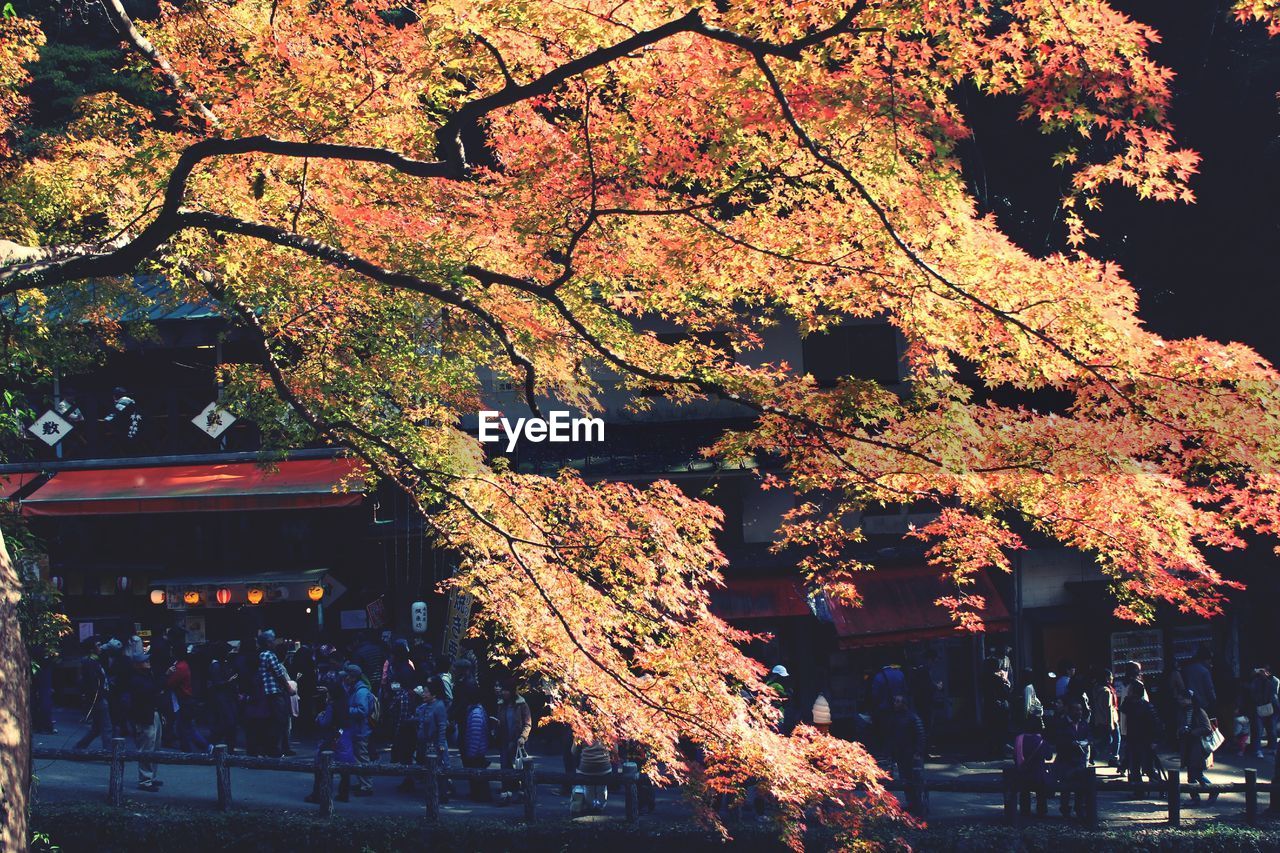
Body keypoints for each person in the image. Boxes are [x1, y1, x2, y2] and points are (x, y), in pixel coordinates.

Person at [120, 638, 163, 791]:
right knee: (147, 748)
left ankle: (151, 777)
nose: (148, 662)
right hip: (144, 717)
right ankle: (145, 780)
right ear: (138, 665)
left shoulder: (146, 676)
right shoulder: (136, 680)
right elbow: (148, 694)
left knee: (155, 747)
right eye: (145, 661)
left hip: (153, 713)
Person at [256, 630, 296, 758]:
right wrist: (289, 688)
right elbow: (279, 674)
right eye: (273, 640)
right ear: (268, 642)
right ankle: (275, 749)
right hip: (275, 691)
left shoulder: (261, 654)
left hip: (266, 692)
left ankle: (272, 748)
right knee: (280, 720)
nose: (275, 643)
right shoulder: (269, 655)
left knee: (272, 721)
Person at [414, 678, 454, 803]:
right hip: (427, 743)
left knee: (441, 768)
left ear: (434, 694)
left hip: (437, 743)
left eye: (426, 692)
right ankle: (432, 793)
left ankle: (443, 794)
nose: (424, 694)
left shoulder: (439, 706)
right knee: (430, 769)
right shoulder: (426, 706)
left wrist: (441, 743)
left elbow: (442, 726)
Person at [887, 693, 926, 816]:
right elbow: (892, 737)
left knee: (915, 779)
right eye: (895, 701)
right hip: (901, 753)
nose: (895, 704)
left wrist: (918, 751)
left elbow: (920, 735)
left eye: (898, 701)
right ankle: (911, 803)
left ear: (904, 704)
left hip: (911, 754)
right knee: (905, 779)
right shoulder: (894, 718)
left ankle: (918, 804)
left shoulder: (912, 718)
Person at [494, 678, 533, 804]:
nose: (503, 692)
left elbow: (528, 723)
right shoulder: (501, 704)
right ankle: (506, 792)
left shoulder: (521, 704)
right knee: (505, 766)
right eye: (502, 690)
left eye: (505, 690)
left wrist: (523, 737)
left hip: (518, 741)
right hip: (504, 739)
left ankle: (522, 792)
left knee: (519, 767)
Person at [1120, 680, 1162, 795]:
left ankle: (1162, 786)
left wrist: (1155, 740)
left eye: (1130, 690)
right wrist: (1127, 699)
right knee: (1134, 767)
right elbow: (1123, 709)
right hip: (1133, 739)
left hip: (1145, 740)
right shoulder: (1129, 704)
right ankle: (1139, 791)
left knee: (1148, 767)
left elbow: (1156, 724)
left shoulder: (1146, 706)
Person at [166, 646, 210, 753]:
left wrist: (167, 674)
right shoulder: (182, 665)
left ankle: (205, 747)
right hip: (184, 699)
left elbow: (171, 683)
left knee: (186, 727)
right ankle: (189, 749)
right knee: (184, 727)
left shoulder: (180, 667)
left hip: (183, 700)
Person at [1053, 699, 1091, 818]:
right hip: (1066, 759)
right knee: (1066, 787)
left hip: (1080, 759)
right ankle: (1065, 809)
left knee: (1081, 787)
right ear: (1069, 711)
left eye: (1080, 710)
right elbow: (1057, 740)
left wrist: (1086, 742)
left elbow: (1090, 736)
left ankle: (1079, 808)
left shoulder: (1084, 724)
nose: (1079, 712)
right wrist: (1069, 743)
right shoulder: (1061, 723)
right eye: (1076, 710)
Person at [344, 664, 376, 796]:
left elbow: (362, 710)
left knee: (362, 758)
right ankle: (362, 782)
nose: (345, 677)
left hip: (361, 730)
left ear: (353, 677)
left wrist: (346, 711)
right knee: (358, 757)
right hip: (357, 729)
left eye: (347, 675)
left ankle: (367, 786)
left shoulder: (361, 692)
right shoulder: (355, 689)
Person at [75, 638, 113, 750]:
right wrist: (98, 695)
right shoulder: (89, 663)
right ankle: (109, 752)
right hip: (98, 698)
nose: (100, 648)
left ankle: (79, 747)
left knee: (96, 728)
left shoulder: (95, 661)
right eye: (98, 645)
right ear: (92, 649)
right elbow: (92, 683)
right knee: (107, 727)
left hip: (99, 697)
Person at [1013, 716, 1054, 817]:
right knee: (1041, 794)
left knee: (1024, 794)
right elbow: (1049, 756)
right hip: (1038, 774)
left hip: (1023, 773)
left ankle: (1025, 812)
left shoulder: (1019, 739)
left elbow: (1015, 756)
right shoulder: (1042, 741)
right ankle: (1041, 812)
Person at [1184, 690, 1219, 804]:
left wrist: (1192, 732)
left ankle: (1211, 790)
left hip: (1198, 746)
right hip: (1189, 745)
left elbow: (1207, 728)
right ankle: (1199, 796)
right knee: (1194, 773)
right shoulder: (1185, 711)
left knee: (1195, 773)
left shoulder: (1199, 711)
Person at [458, 685, 492, 802]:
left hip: (476, 750)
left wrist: (471, 753)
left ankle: (481, 796)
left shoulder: (475, 713)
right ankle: (478, 795)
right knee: (477, 776)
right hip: (477, 749)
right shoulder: (476, 710)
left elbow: (475, 735)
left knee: (478, 775)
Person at [206, 642, 239, 752]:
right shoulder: (215, 665)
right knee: (224, 724)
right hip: (221, 698)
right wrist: (229, 681)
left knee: (225, 724)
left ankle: (225, 747)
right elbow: (216, 683)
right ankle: (216, 747)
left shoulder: (221, 663)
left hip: (224, 698)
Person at [389, 680, 419, 792]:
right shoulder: (405, 695)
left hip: (405, 731)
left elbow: (402, 717)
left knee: (406, 757)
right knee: (407, 756)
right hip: (407, 730)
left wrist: (397, 732)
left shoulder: (403, 696)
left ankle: (409, 780)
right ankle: (409, 780)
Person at [570, 741, 614, 815]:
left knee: (588, 788)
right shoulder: (608, 731)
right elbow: (615, 750)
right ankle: (600, 806)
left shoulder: (581, 732)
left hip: (586, 768)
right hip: (604, 768)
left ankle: (590, 805)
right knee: (602, 788)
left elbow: (573, 751)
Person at [1091, 669, 1120, 767]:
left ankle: (1093, 753)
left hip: (1100, 719)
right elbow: (1109, 707)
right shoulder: (1107, 691)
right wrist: (1111, 723)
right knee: (1115, 739)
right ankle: (1114, 758)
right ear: (1107, 678)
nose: (1112, 678)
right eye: (1111, 676)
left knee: (1106, 740)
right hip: (1110, 719)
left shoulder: (1096, 689)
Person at [1248, 666, 1279, 758]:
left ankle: (1273, 748)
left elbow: (1274, 693)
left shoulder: (1273, 681)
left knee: (1271, 729)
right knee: (1259, 729)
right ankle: (1258, 750)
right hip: (1261, 707)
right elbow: (1253, 693)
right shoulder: (1256, 681)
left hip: (1270, 707)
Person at [1183, 647, 1216, 715]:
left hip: (1189, 704)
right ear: (1205, 660)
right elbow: (1209, 689)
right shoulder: (1205, 671)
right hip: (1203, 705)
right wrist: (1214, 702)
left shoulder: (1186, 669)